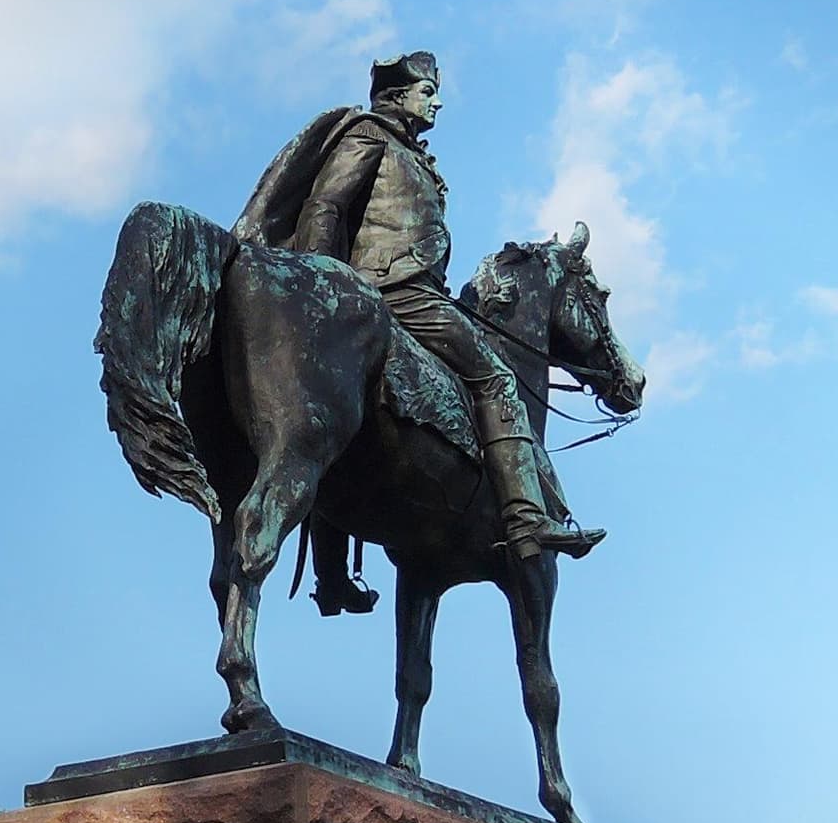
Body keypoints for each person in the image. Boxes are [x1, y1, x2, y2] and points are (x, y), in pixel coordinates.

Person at [237, 51, 600, 570]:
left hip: (410, 289)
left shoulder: (407, 151)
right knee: (496, 378)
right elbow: (326, 205)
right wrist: (322, 281)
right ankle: (524, 519)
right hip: (398, 291)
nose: (437, 101)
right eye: (427, 92)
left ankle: (333, 574)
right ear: (396, 95)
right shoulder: (371, 136)